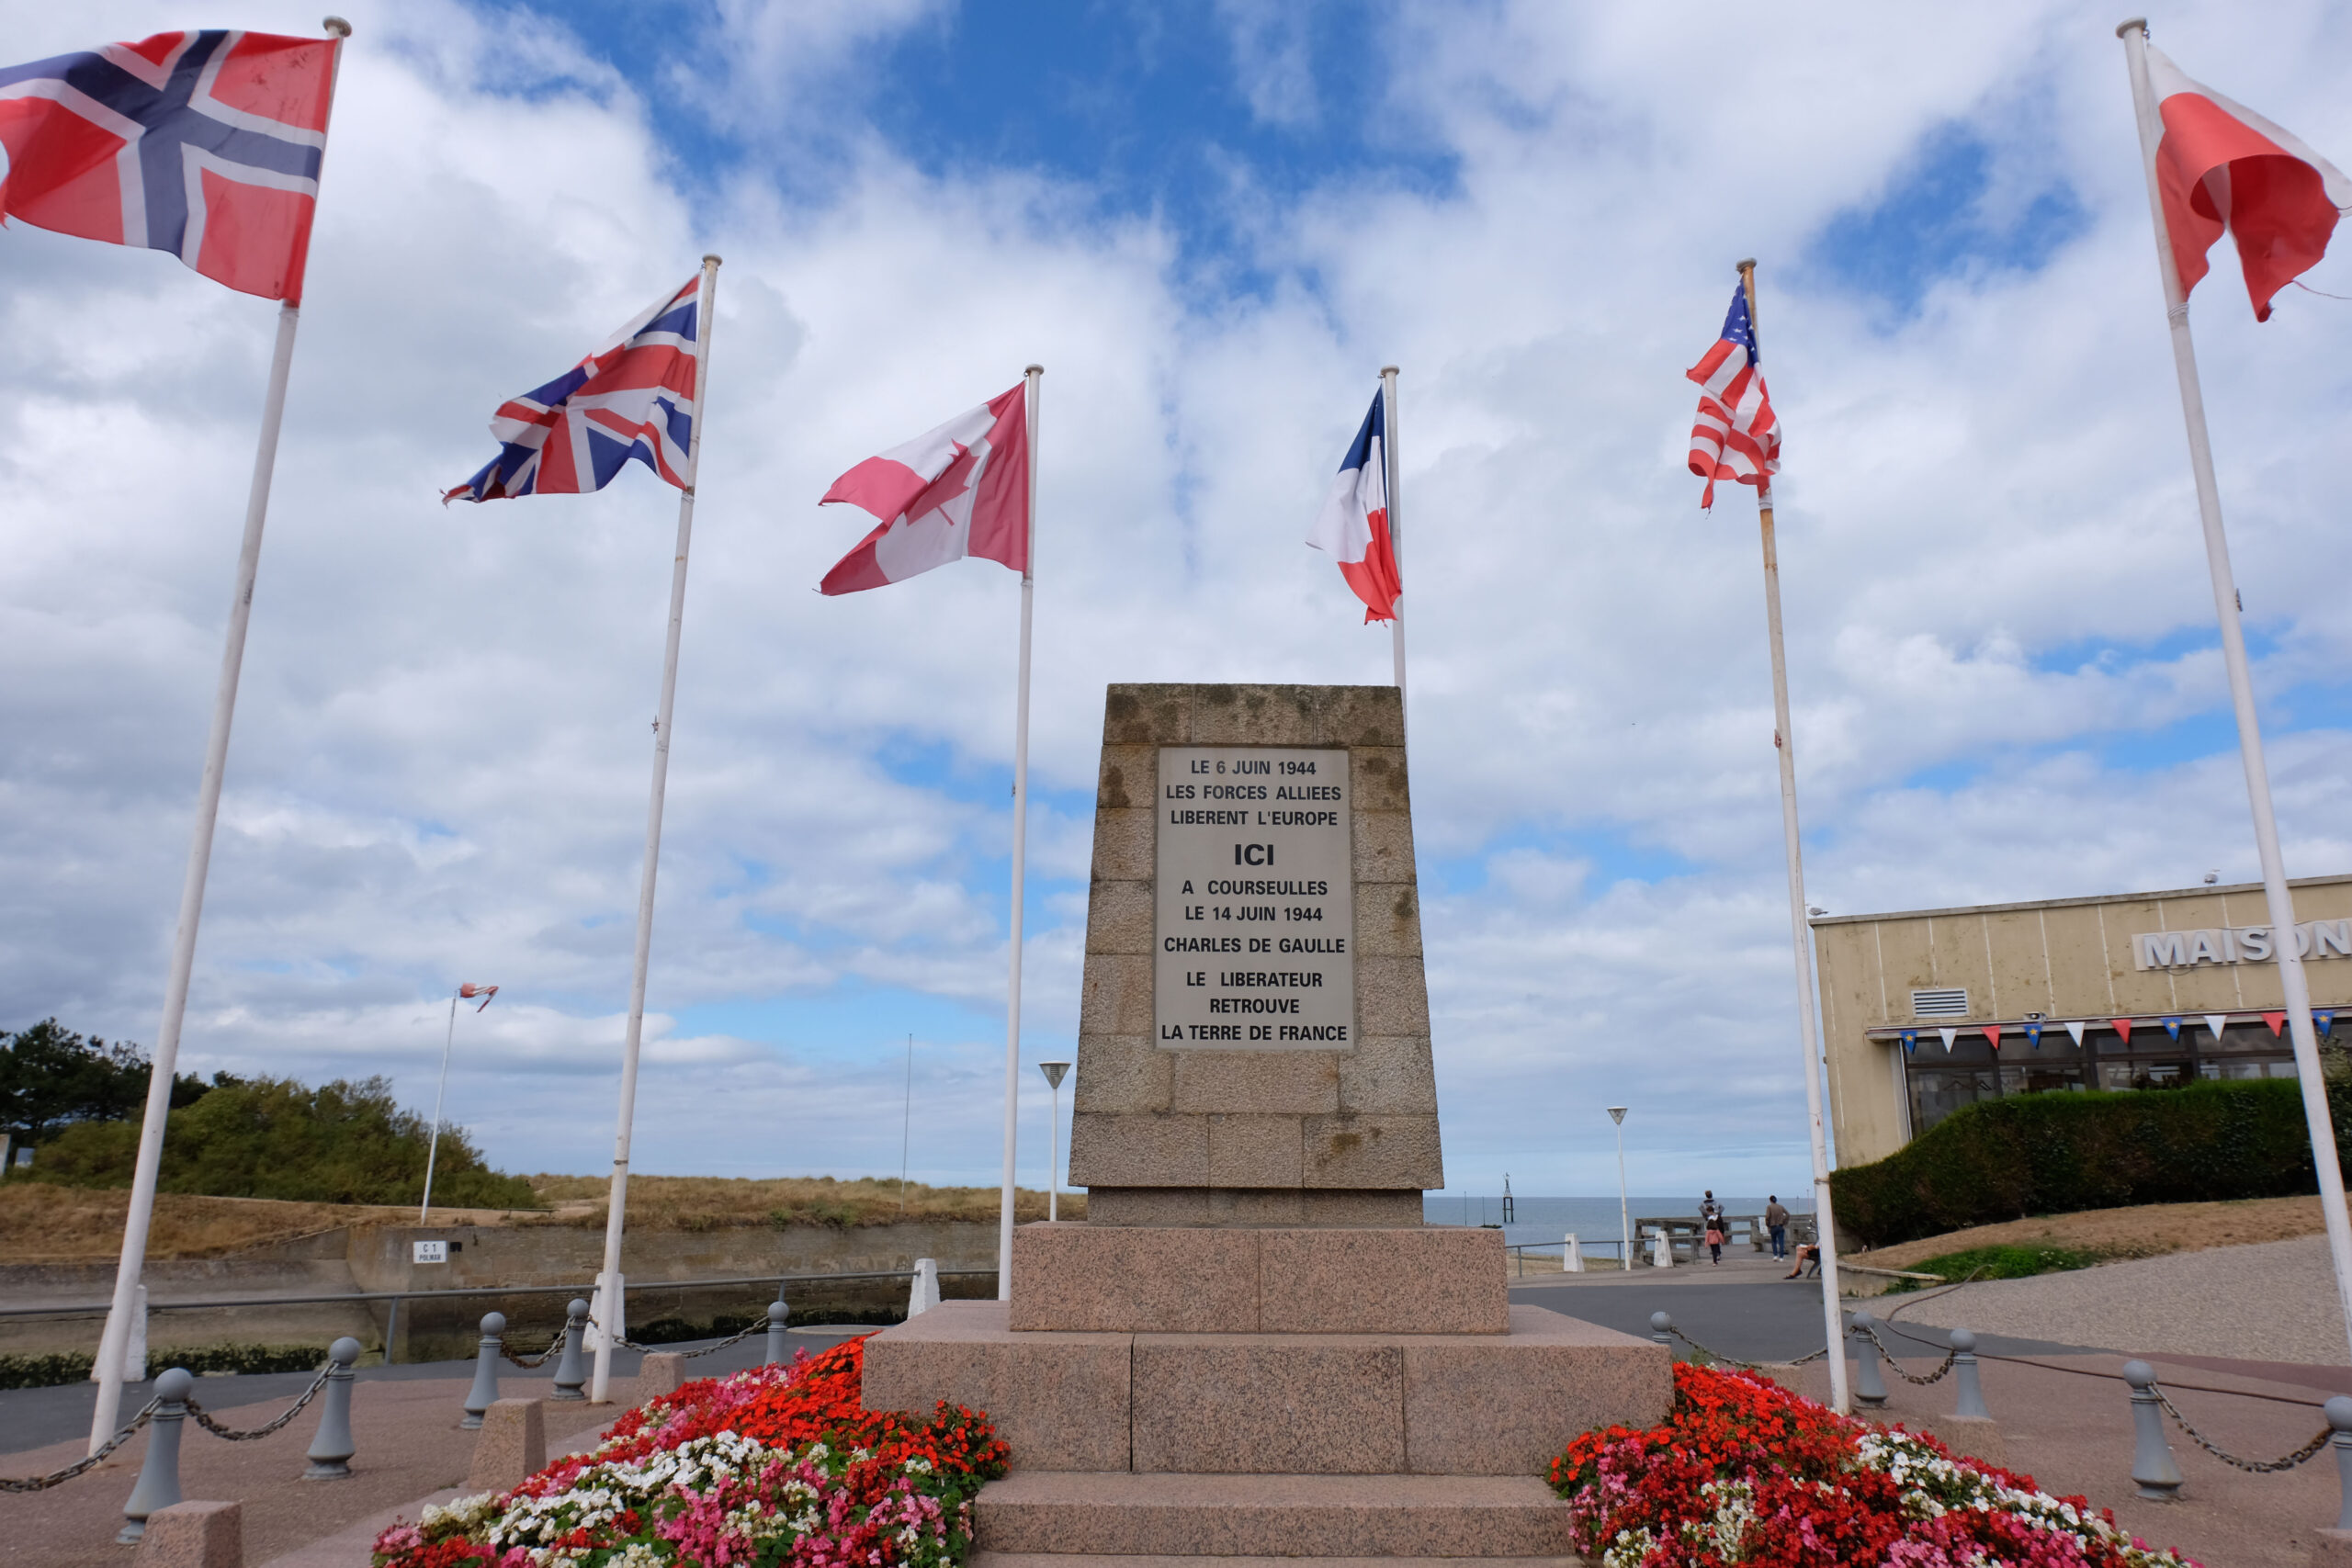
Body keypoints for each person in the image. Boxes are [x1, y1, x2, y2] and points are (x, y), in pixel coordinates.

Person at [1699, 1190, 1725, 1266]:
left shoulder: (1703, 1204)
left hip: (1710, 1223)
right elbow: (1723, 1208)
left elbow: (1700, 1209)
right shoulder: (1716, 1202)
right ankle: (1718, 1254)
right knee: (1717, 1240)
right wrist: (1718, 1213)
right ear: (1711, 1195)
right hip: (1717, 1221)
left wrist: (1705, 1215)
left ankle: (1715, 1254)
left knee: (1712, 1240)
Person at [1764, 1195, 1789, 1260]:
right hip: (1780, 1226)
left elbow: (1767, 1217)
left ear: (1770, 1200)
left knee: (1774, 1241)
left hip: (1773, 1226)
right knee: (1781, 1242)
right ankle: (1781, 1257)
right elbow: (1788, 1214)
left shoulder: (1769, 1207)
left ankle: (1775, 1255)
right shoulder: (1781, 1207)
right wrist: (1784, 1222)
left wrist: (1767, 1225)